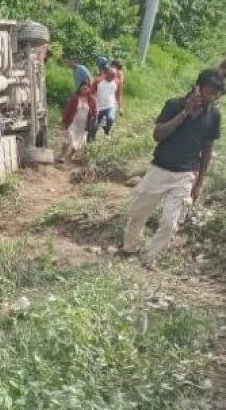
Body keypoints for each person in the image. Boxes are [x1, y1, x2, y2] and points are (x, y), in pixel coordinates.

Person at [122, 69, 224, 269]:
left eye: (216, 93)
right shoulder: (174, 105)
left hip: (185, 174)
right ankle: (129, 248)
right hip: (159, 169)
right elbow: (158, 135)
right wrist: (185, 113)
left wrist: (199, 183)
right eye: (209, 91)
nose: (212, 97)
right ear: (197, 87)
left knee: (170, 222)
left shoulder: (214, 116)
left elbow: (207, 149)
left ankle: (150, 259)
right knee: (138, 213)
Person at [57, 81, 97, 164]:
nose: (84, 90)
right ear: (79, 88)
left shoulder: (92, 100)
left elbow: (95, 111)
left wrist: (93, 120)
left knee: (79, 142)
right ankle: (62, 156)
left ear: (89, 89)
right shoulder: (74, 99)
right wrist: (64, 120)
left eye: (86, 88)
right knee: (68, 139)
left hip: (83, 125)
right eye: (83, 88)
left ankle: (71, 155)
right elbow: (67, 110)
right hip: (73, 123)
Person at [89, 66, 120, 141]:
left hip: (111, 105)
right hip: (99, 106)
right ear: (106, 74)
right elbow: (92, 93)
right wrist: (93, 103)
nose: (112, 77)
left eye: (114, 76)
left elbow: (118, 94)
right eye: (111, 75)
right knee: (94, 126)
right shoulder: (98, 81)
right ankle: (91, 141)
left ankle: (107, 131)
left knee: (110, 118)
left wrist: (120, 106)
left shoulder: (117, 82)